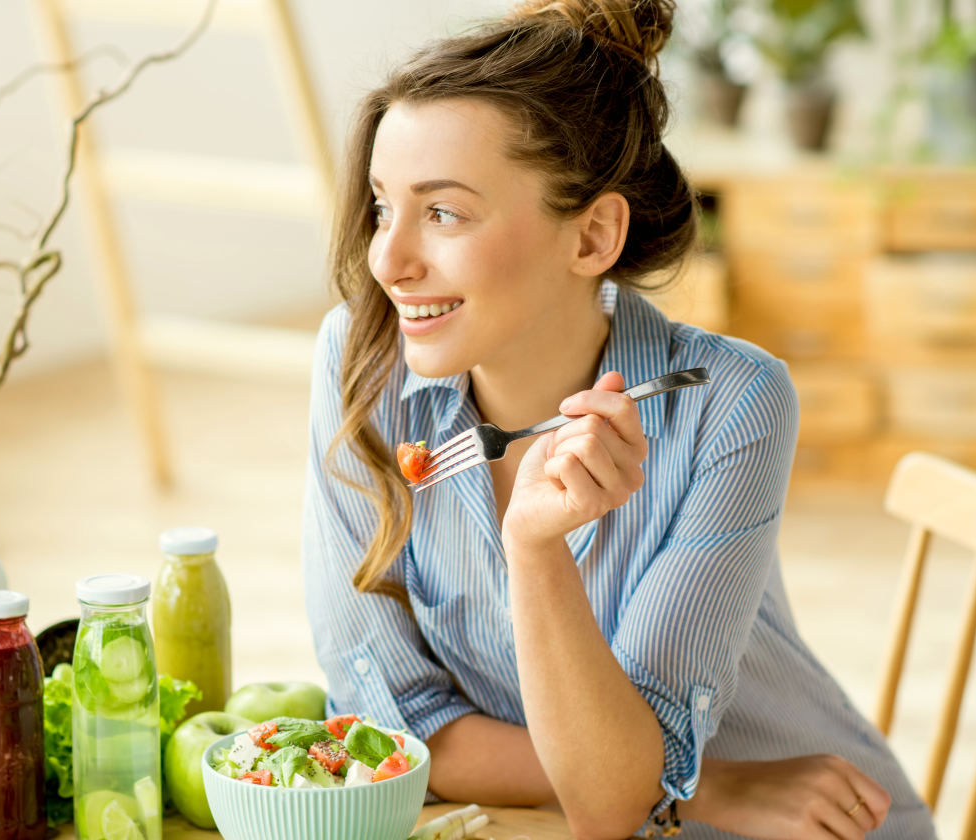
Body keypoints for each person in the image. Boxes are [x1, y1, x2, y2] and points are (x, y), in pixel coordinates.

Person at [299, 2, 936, 838]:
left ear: (593, 234)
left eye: (443, 212)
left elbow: (608, 804)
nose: (389, 258)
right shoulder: (361, 359)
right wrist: (701, 788)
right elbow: (389, 723)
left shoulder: (730, 404)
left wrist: (534, 548)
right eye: (384, 206)